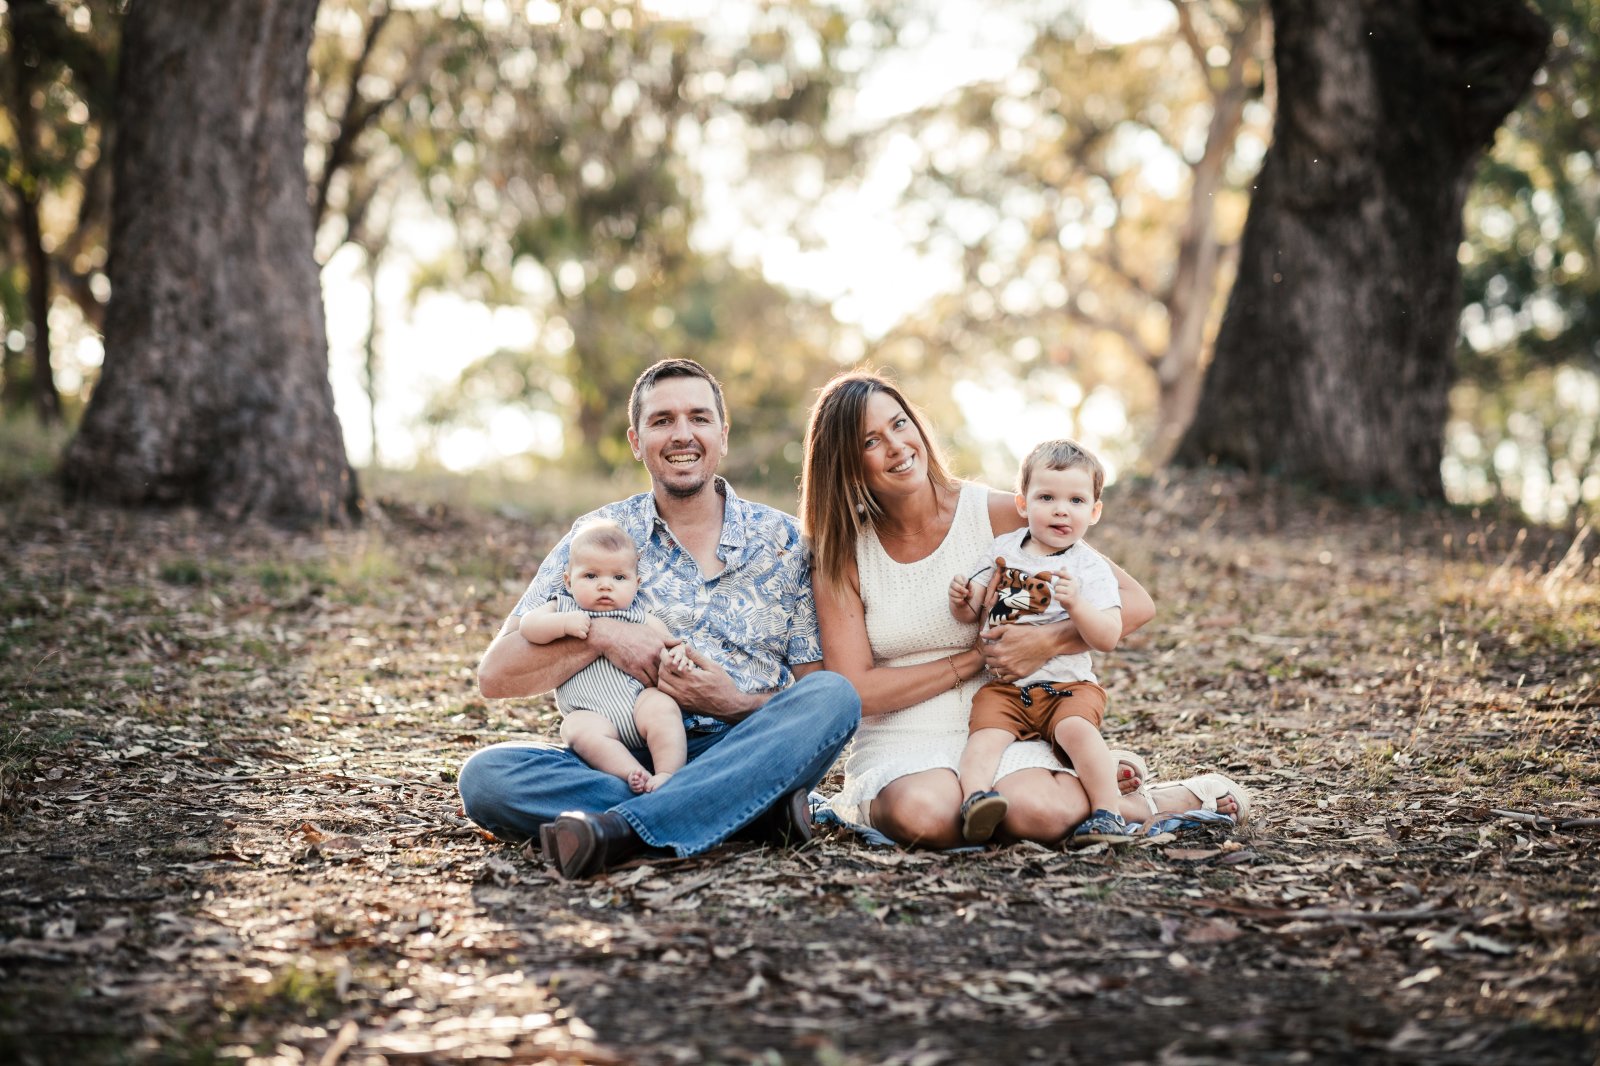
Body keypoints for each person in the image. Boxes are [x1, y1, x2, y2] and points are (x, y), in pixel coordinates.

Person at [799, 370, 1250, 850]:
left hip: (1010, 714)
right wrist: (975, 658)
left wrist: (1046, 640)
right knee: (926, 817)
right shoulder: (842, 552)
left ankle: (1147, 800)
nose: (897, 446)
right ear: (846, 464)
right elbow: (857, 689)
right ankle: (1099, 779)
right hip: (901, 733)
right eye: (871, 441)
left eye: (899, 423)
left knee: (1041, 812)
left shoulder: (997, 515)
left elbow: (1135, 604)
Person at [460, 359, 862, 879]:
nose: (682, 435)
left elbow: (814, 695)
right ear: (636, 440)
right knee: (487, 777)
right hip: (624, 759)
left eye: (699, 417)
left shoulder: (784, 542)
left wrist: (732, 703)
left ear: (723, 434)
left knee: (837, 695)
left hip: (744, 749)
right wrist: (605, 633)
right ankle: (747, 815)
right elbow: (495, 675)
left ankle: (623, 830)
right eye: (662, 420)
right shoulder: (598, 535)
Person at [949, 439, 1133, 846]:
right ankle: (975, 801)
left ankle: (1108, 812)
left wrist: (1077, 605)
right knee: (984, 737)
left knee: (1078, 732)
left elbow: (1107, 636)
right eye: (1046, 497)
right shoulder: (1003, 549)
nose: (1061, 510)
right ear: (1022, 503)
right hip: (1005, 687)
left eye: (1076, 500)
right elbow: (975, 610)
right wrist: (964, 600)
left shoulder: (1089, 567)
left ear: (1095, 511)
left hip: (1068, 687)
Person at [518, 518, 691, 794]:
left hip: (638, 706)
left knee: (663, 707)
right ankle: (632, 774)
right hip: (591, 714)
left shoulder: (641, 616)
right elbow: (528, 625)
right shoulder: (563, 608)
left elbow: (672, 644)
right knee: (575, 728)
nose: (605, 585)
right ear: (568, 581)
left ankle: (668, 774)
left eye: (619, 578)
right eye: (591, 576)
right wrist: (562, 624)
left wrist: (678, 655)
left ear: (636, 583)